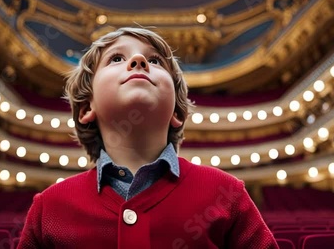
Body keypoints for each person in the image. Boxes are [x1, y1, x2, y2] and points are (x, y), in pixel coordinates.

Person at [18, 27, 278, 248]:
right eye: (116, 58)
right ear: (87, 109)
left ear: (177, 111)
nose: (139, 60)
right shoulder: (48, 208)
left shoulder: (228, 193)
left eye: (155, 61)